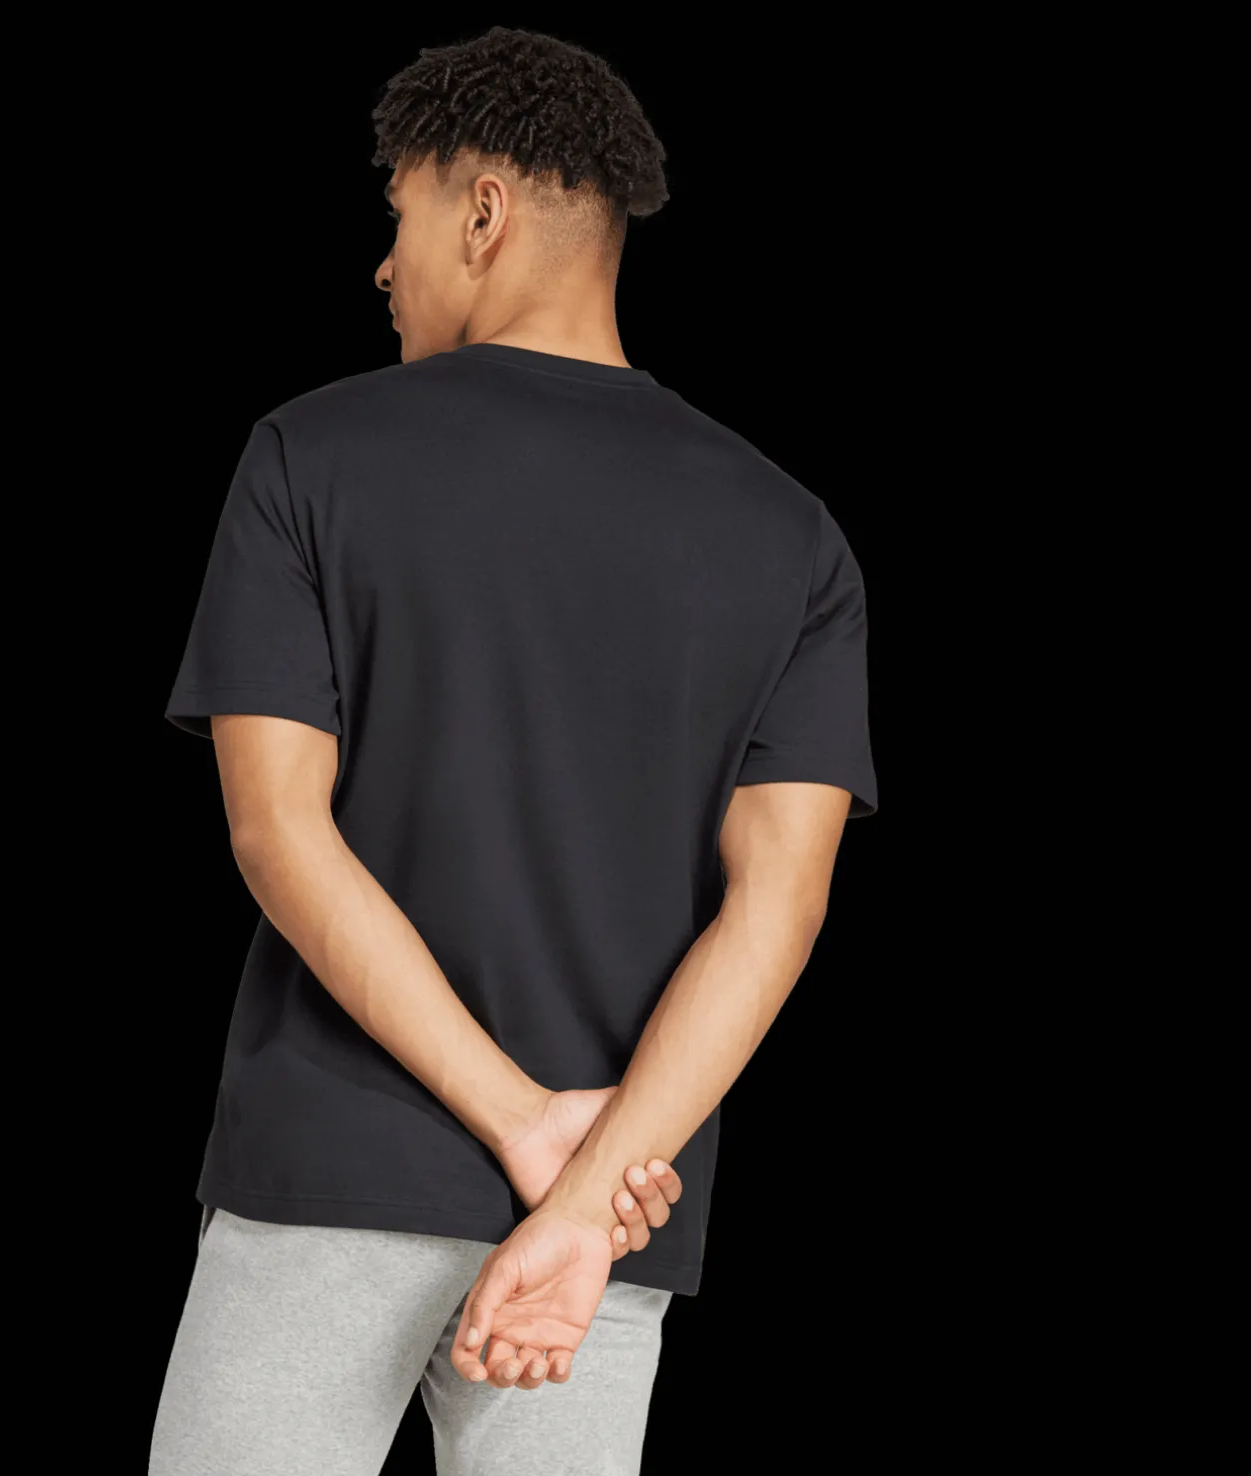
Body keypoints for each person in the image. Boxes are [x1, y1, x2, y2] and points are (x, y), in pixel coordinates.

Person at [150, 23, 878, 1476]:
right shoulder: (793, 536)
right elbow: (779, 908)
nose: (383, 266)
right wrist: (589, 1181)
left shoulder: (308, 457)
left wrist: (523, 1122)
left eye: (399, 215)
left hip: (333, 1169)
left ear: (480, 211)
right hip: (602, 1225)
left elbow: (277, 829)